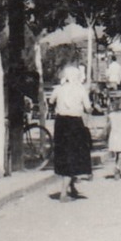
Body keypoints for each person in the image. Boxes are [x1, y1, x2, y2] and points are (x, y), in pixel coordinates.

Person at [48, 65, 95, 201]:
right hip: (75, 124)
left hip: (60, 124)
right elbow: (88, 108)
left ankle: (71, 187)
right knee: (74, 154)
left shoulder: (59, 89)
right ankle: (63, 193)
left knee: (63, 154)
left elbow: (51, 101)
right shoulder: (81, 89)